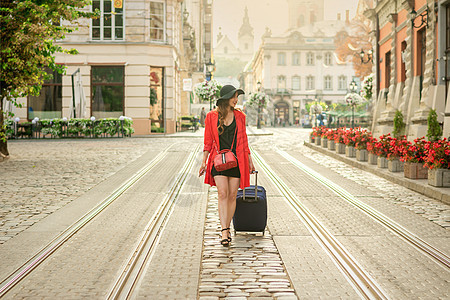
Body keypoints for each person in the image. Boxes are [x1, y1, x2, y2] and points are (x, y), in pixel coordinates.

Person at [199, 85, 255, 246]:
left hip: (237, 160)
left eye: (237, 97)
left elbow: (244, 141)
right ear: (226, 99)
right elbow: (208, 141)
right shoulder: (211, 116)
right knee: (222, 193)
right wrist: (204, 161)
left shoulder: (240, 116)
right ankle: (224, 230)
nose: (236, 100)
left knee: (232, 195)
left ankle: (228, 227)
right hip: (218, 160)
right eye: (234, 97)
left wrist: (250, 160)